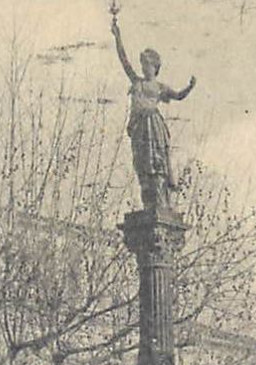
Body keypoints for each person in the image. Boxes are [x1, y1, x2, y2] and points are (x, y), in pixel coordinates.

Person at [110, 7, 195, 212]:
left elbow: (178, 95)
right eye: (143, 64)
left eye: (148, 65)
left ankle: (161, 197)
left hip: (153, 126)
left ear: (155, 67)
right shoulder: (136, 81)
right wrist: (117, 36)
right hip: (139, 127)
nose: (144, 68)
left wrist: (190, 87)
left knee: (156, 161)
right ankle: (150, 198)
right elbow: (124, 60)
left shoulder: (158, 87)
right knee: (142, 163)